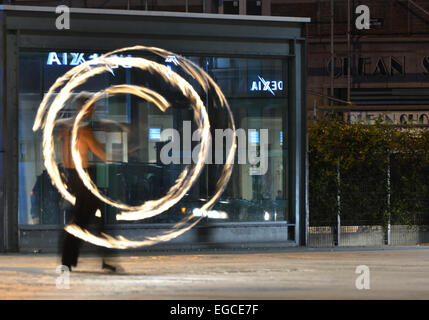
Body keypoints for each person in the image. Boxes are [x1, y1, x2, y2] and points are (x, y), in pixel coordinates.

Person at [58, 92, 117, 272]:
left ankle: (72, 258)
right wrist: (122, 154)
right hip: (83, 177)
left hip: (73, 176)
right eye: (91, 106)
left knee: (92, 217)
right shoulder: (82, 130)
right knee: (84, 219)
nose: (93, 110)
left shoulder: (66, 128)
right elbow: (102, 154)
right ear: (82, 107)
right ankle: (68, 259)